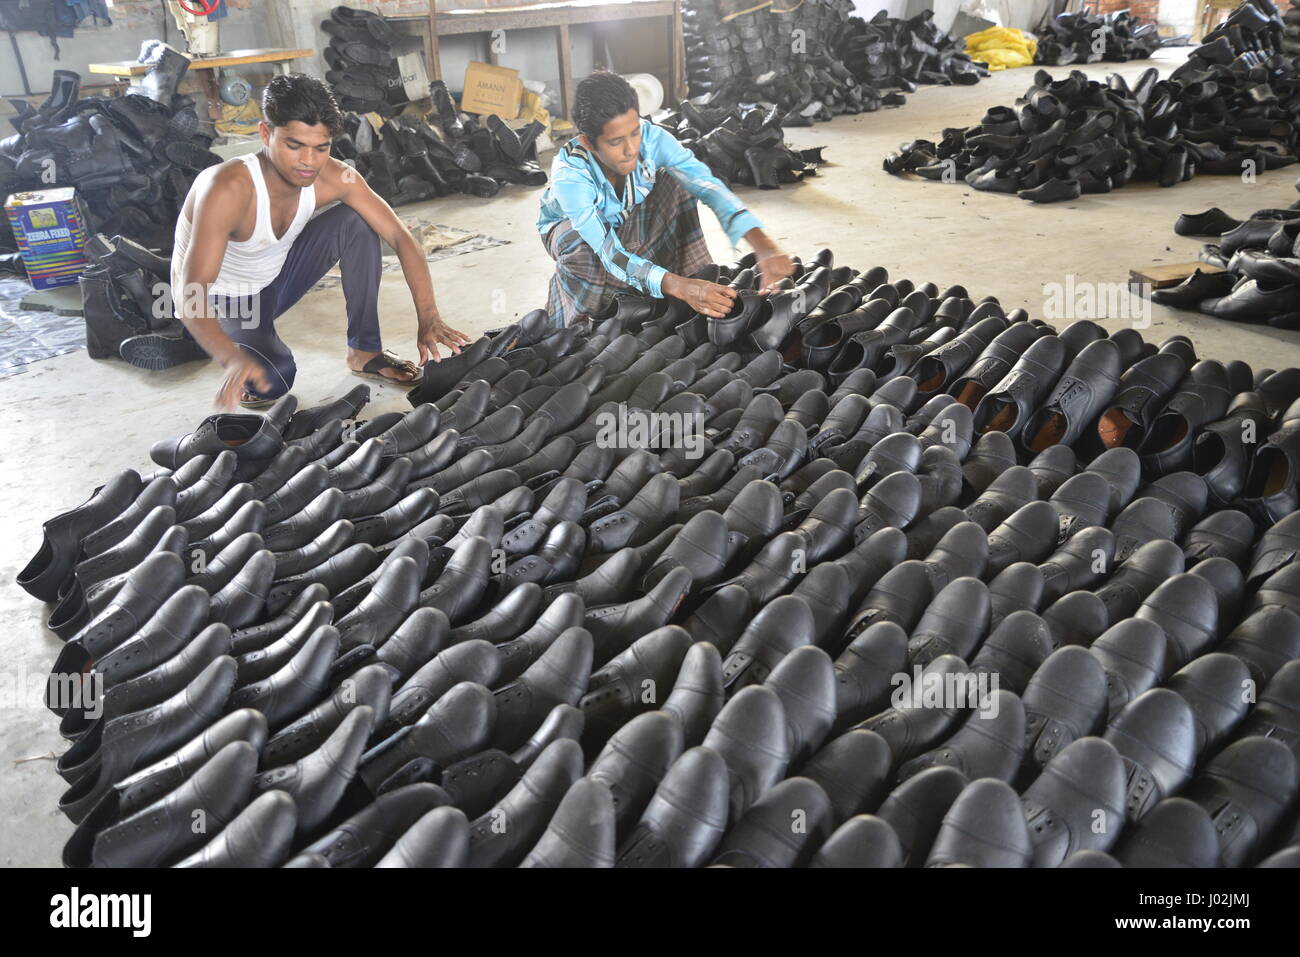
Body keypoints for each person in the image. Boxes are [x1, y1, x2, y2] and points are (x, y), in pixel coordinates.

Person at [171, 73, 470, 409]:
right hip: (226, 301)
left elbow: (400, 237)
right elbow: (190, 293)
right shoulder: (226, 188)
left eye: (321, 147)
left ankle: (364, 351)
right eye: (294, 145)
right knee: (275, 378)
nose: (308, 162)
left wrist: (428, 317)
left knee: (357, 222)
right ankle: (214, 339)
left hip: (275, 279)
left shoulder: (334, 175)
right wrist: (231, 358)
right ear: (266, 133)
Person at [537, 70, 795, 328]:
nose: (631, 150)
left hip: (626, 213)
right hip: (577, 232)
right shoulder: (570, 177)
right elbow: (610, 253)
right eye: (616, 142)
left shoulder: (652, 137)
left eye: (634, 133)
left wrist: (763, 246)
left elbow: (706, 185)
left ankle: (691, 283)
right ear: (589, 143)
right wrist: (679, 286)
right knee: (578, 245)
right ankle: (586, 323)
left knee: (677, 180)